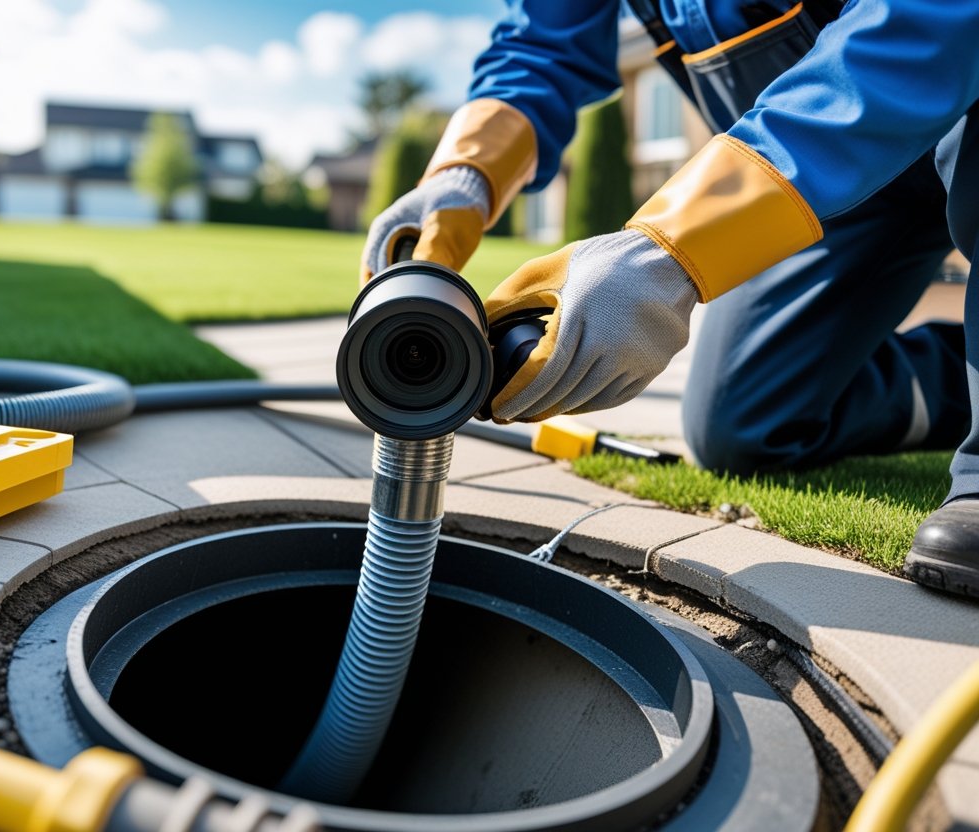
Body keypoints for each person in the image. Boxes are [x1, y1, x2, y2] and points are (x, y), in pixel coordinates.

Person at [361, 0, 979, 599]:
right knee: (743, 425)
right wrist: (465, 175)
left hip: (957, 95)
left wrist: (670, 252)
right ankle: (964, 376)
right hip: (826, 188)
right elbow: (541, 43)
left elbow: (930, 18)